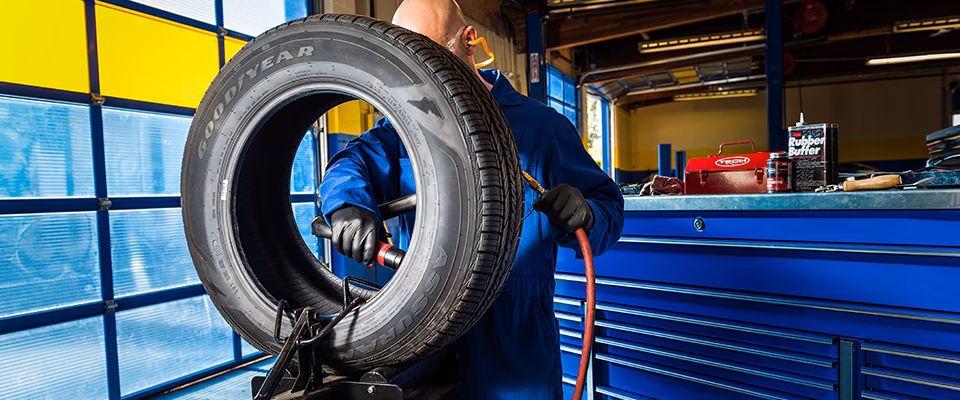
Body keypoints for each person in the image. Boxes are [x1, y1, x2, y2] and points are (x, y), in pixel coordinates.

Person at [318, 0, 625, 398]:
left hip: (517, 352)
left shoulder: (542, 127)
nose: (421, 78)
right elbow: (351, 162)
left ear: (468, 43)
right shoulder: (404, 131)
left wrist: (586, 212)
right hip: (427, 344)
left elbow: (608, 209)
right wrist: (347, 205)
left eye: (430, 57)